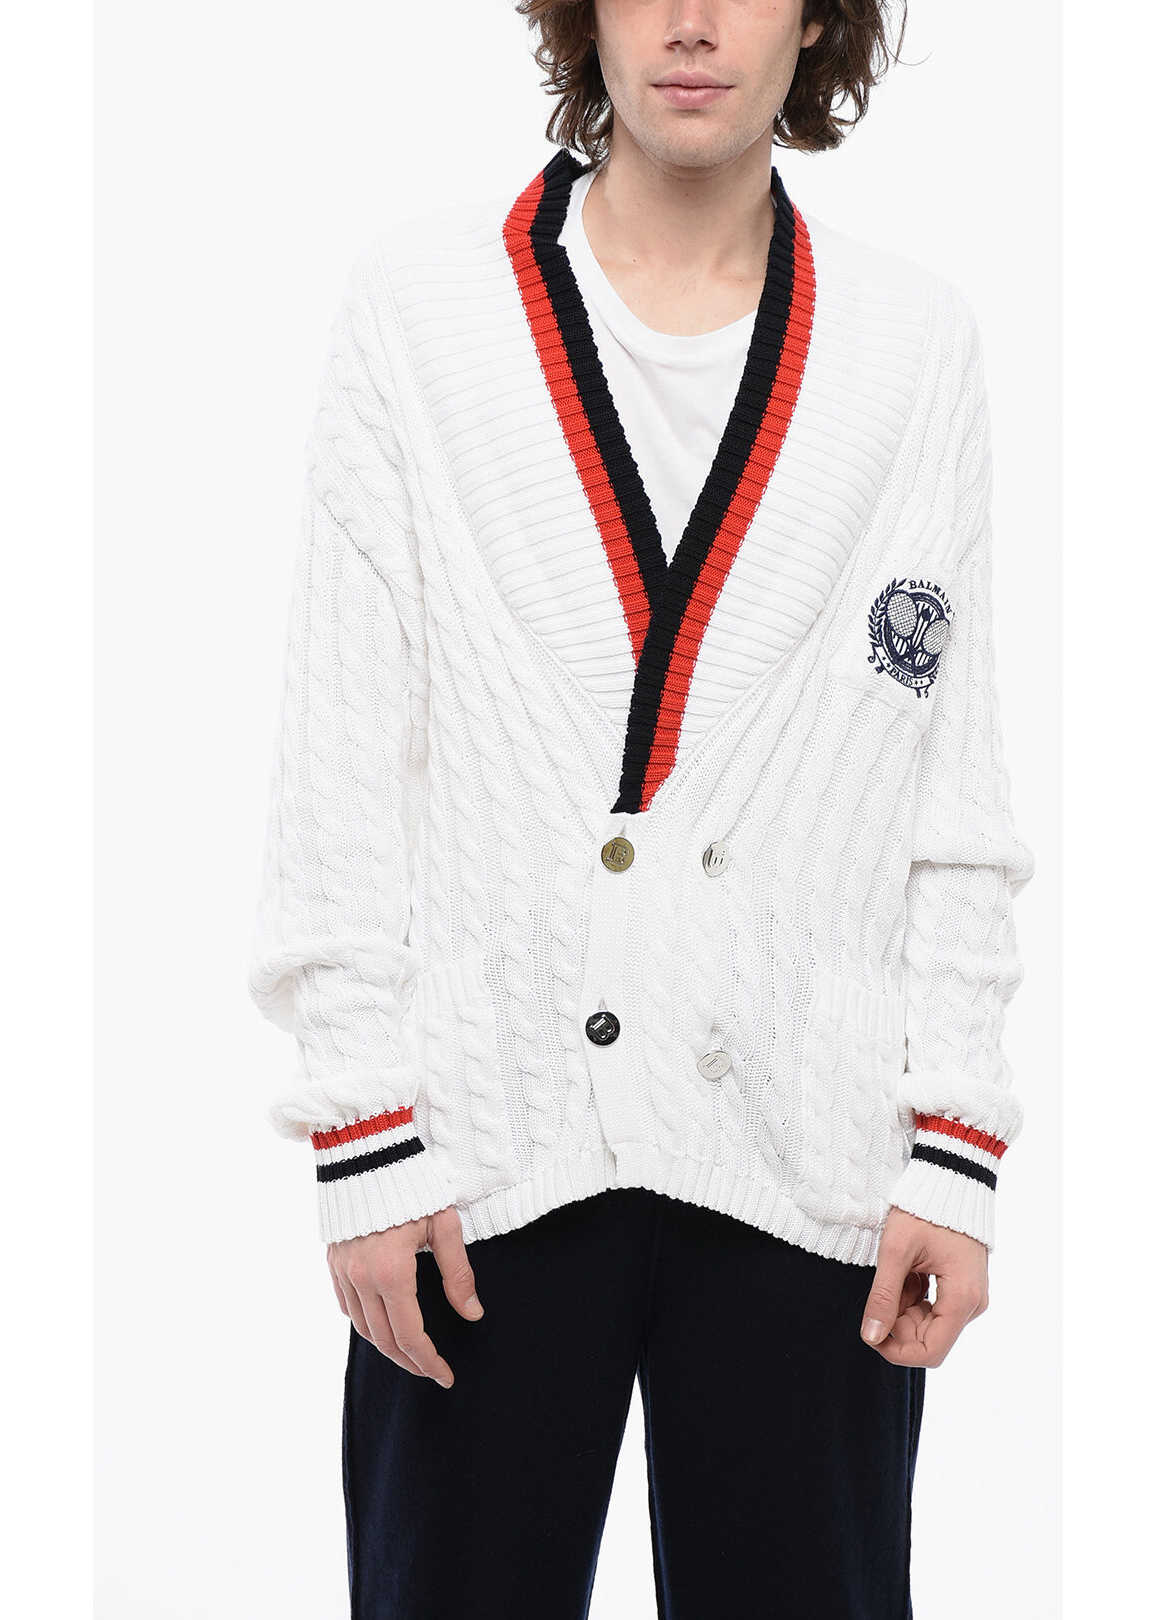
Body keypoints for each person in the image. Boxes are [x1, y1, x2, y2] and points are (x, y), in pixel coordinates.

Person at [247, 2, 1035, 1614]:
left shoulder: (908, 344)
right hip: (479, 1154)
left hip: (804, 1153)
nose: (689, 23)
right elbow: (338, 753)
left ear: (814, 18)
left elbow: (946, 772)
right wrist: (362, 1139)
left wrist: (952, 1144)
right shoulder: (423, 310)